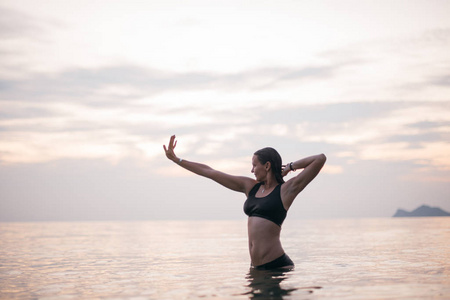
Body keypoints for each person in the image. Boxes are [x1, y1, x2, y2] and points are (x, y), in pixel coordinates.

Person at [163, 135, 326, 270]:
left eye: (254, 165)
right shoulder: (250, 187)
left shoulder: (286, 190)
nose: (252, 170)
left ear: (267, 166)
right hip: (255, 268)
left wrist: (290, 166)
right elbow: (210, 172)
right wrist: (177, 160)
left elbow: (320, 159)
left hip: (276, 267)